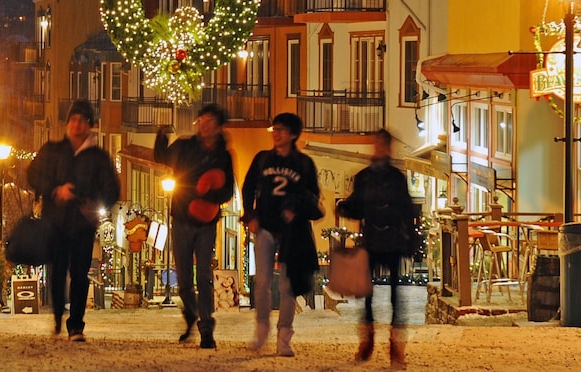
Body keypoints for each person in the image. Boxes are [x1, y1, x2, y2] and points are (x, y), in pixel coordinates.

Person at [27, 99, 120, 342]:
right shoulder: (53, 150)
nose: (77, 125)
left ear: (90, 125)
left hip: (82, 224)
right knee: (57, 271)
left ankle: (76, 325)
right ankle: (58, 315)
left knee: (80, 274)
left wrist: (94, 204)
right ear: (67, 123)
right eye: (73, 119)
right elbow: (33, 174)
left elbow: (112, 189)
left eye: (82, 120)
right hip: (55, 221)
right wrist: (55, 190)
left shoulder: (98, 158)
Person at [241, 112, 323, 357]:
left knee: (288, 285)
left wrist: (295, 208)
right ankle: (261, 330)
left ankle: (284, 336)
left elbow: (313, 196)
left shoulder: (304, 164)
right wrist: (250, 216)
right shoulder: (262, 159)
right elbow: (247, 187)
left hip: (293, 231)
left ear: (294, 134)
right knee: (263, 282)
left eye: (282, 130)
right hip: (265, 225)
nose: (276, 134)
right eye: (274, 129)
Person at [153, 103, 235, 349]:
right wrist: (161, 137)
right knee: (185, 279)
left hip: (206, 221)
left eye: (210, 120)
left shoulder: (223, 156)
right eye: (202, 119)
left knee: (204, 276)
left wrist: (208, 196)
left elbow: (227, 189)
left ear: (219, 127)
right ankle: (192, 315)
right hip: (181, 218)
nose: (204, 124)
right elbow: (162, 157)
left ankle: (206, 327)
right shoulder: (185, 146)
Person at [336, 129, 419, 368]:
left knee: (396, 294)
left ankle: (395, 346)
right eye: (377, 145)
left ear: (388, 148)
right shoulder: (365, 177)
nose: (380, 149)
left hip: (391, 240)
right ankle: (368, 340)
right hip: (372, 239)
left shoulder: (395, 178)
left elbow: (405, 208)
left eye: (382, 145)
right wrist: (344, 207)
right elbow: (357, 206)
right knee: (367, 294)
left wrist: (409, 238)